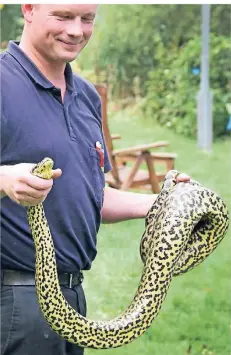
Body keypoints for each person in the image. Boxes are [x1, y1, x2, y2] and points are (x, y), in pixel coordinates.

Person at [0, 4, 190, 355]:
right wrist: (4, 179)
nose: (76, 31)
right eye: (63, 16)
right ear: (28, 8)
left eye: (87, 19)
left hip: (72, 296)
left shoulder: (86, 95)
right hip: (15, 299)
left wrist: (164, 202)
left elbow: (92, 194)